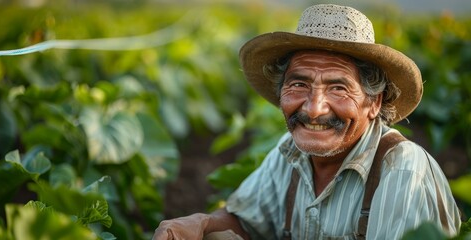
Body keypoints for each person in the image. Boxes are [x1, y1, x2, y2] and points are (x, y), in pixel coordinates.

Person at [153, 4, 462, 240]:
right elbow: (245, 221)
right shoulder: (289, 154)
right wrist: (201, 222)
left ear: (374, 102)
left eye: (338, 88)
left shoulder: (401, 170)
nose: (314, 109)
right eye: (298, 85)